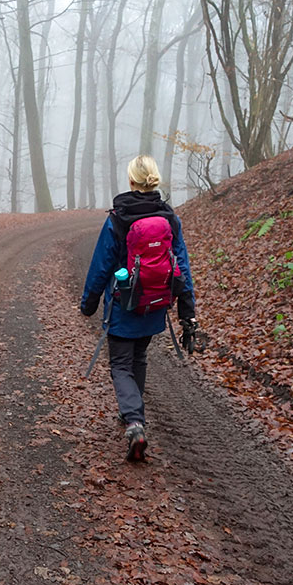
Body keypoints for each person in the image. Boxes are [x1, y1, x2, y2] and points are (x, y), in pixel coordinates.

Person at [80, 155, 196, 461]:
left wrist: (88, 303)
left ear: (131, 181)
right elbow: (182, 266)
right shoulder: (169, 218)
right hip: (156, 304)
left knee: (120, 364)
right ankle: (132, 413)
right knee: (139, 356)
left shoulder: (118, 219)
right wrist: (188, 312)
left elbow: (101, 265)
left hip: (124, 304)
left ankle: (134, 422)